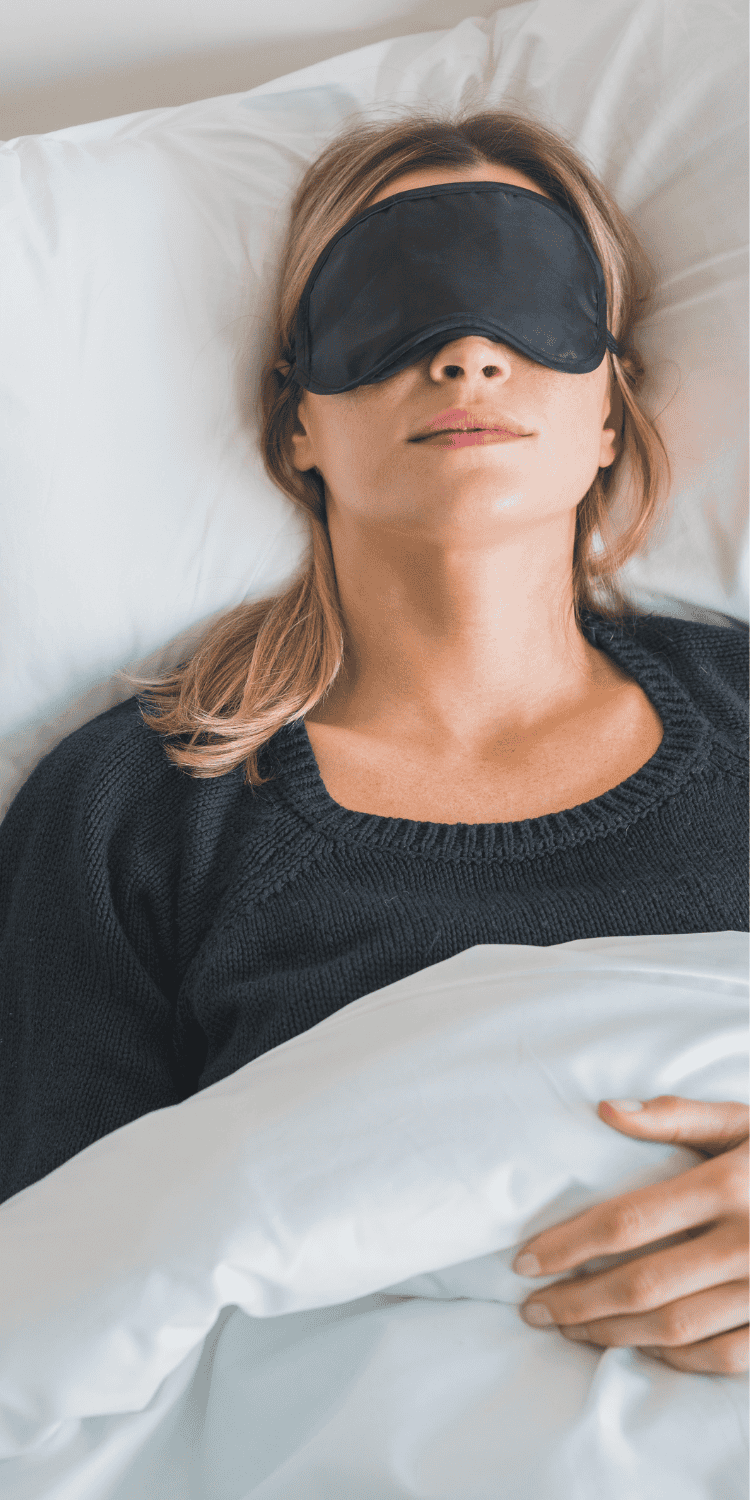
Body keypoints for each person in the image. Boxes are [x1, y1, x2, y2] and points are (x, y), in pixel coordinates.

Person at [0, 108, 747, 1375]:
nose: (466, 354)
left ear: (610, 412)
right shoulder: (134, 812)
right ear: (299, 423)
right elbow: (62, 1287)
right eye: (390, 303)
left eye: (528, 298)